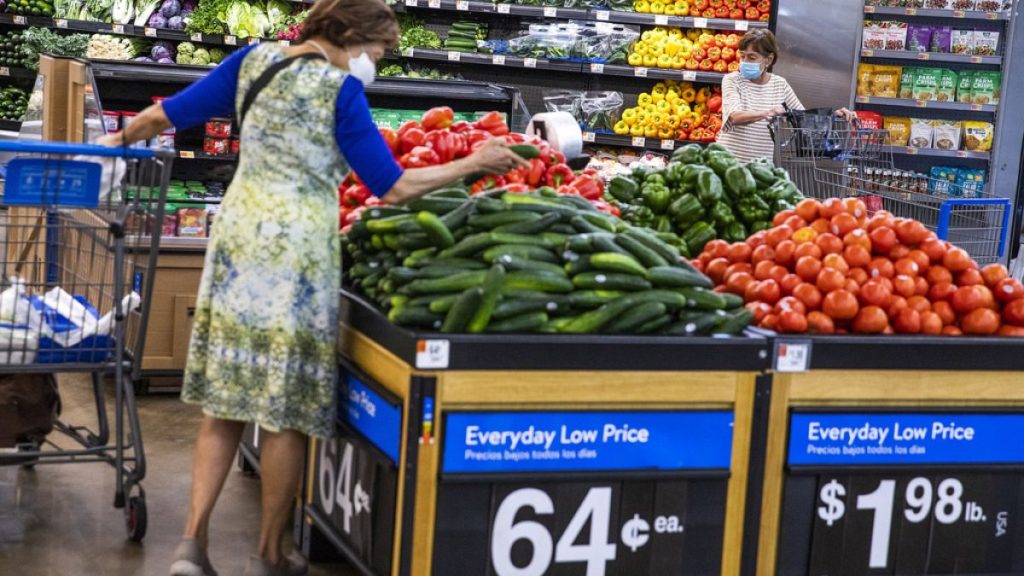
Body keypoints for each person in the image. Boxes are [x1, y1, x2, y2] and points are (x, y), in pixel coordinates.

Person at [97, 0, 528, 573]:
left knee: (223, 404)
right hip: (298, 255)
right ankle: (270, 552)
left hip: (237, 242)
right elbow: (392, 187)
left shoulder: (253, 62)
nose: (375, 61)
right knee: (285, 410)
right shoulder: (340, 91)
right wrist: (471, 163)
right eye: (377, 50)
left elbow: (165, 116)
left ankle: (191, 546)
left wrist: (111, 144)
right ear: (351, 37)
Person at [715, 29, 854, 164]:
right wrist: (768, 113)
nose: (744, 62)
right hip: (726, 165)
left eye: (751, 57)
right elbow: (734, 117)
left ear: (768, 60)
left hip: (760, 169)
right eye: (742, 56)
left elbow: (804, 118)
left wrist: (834, 116)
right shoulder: (732, 80)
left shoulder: (779, 84)